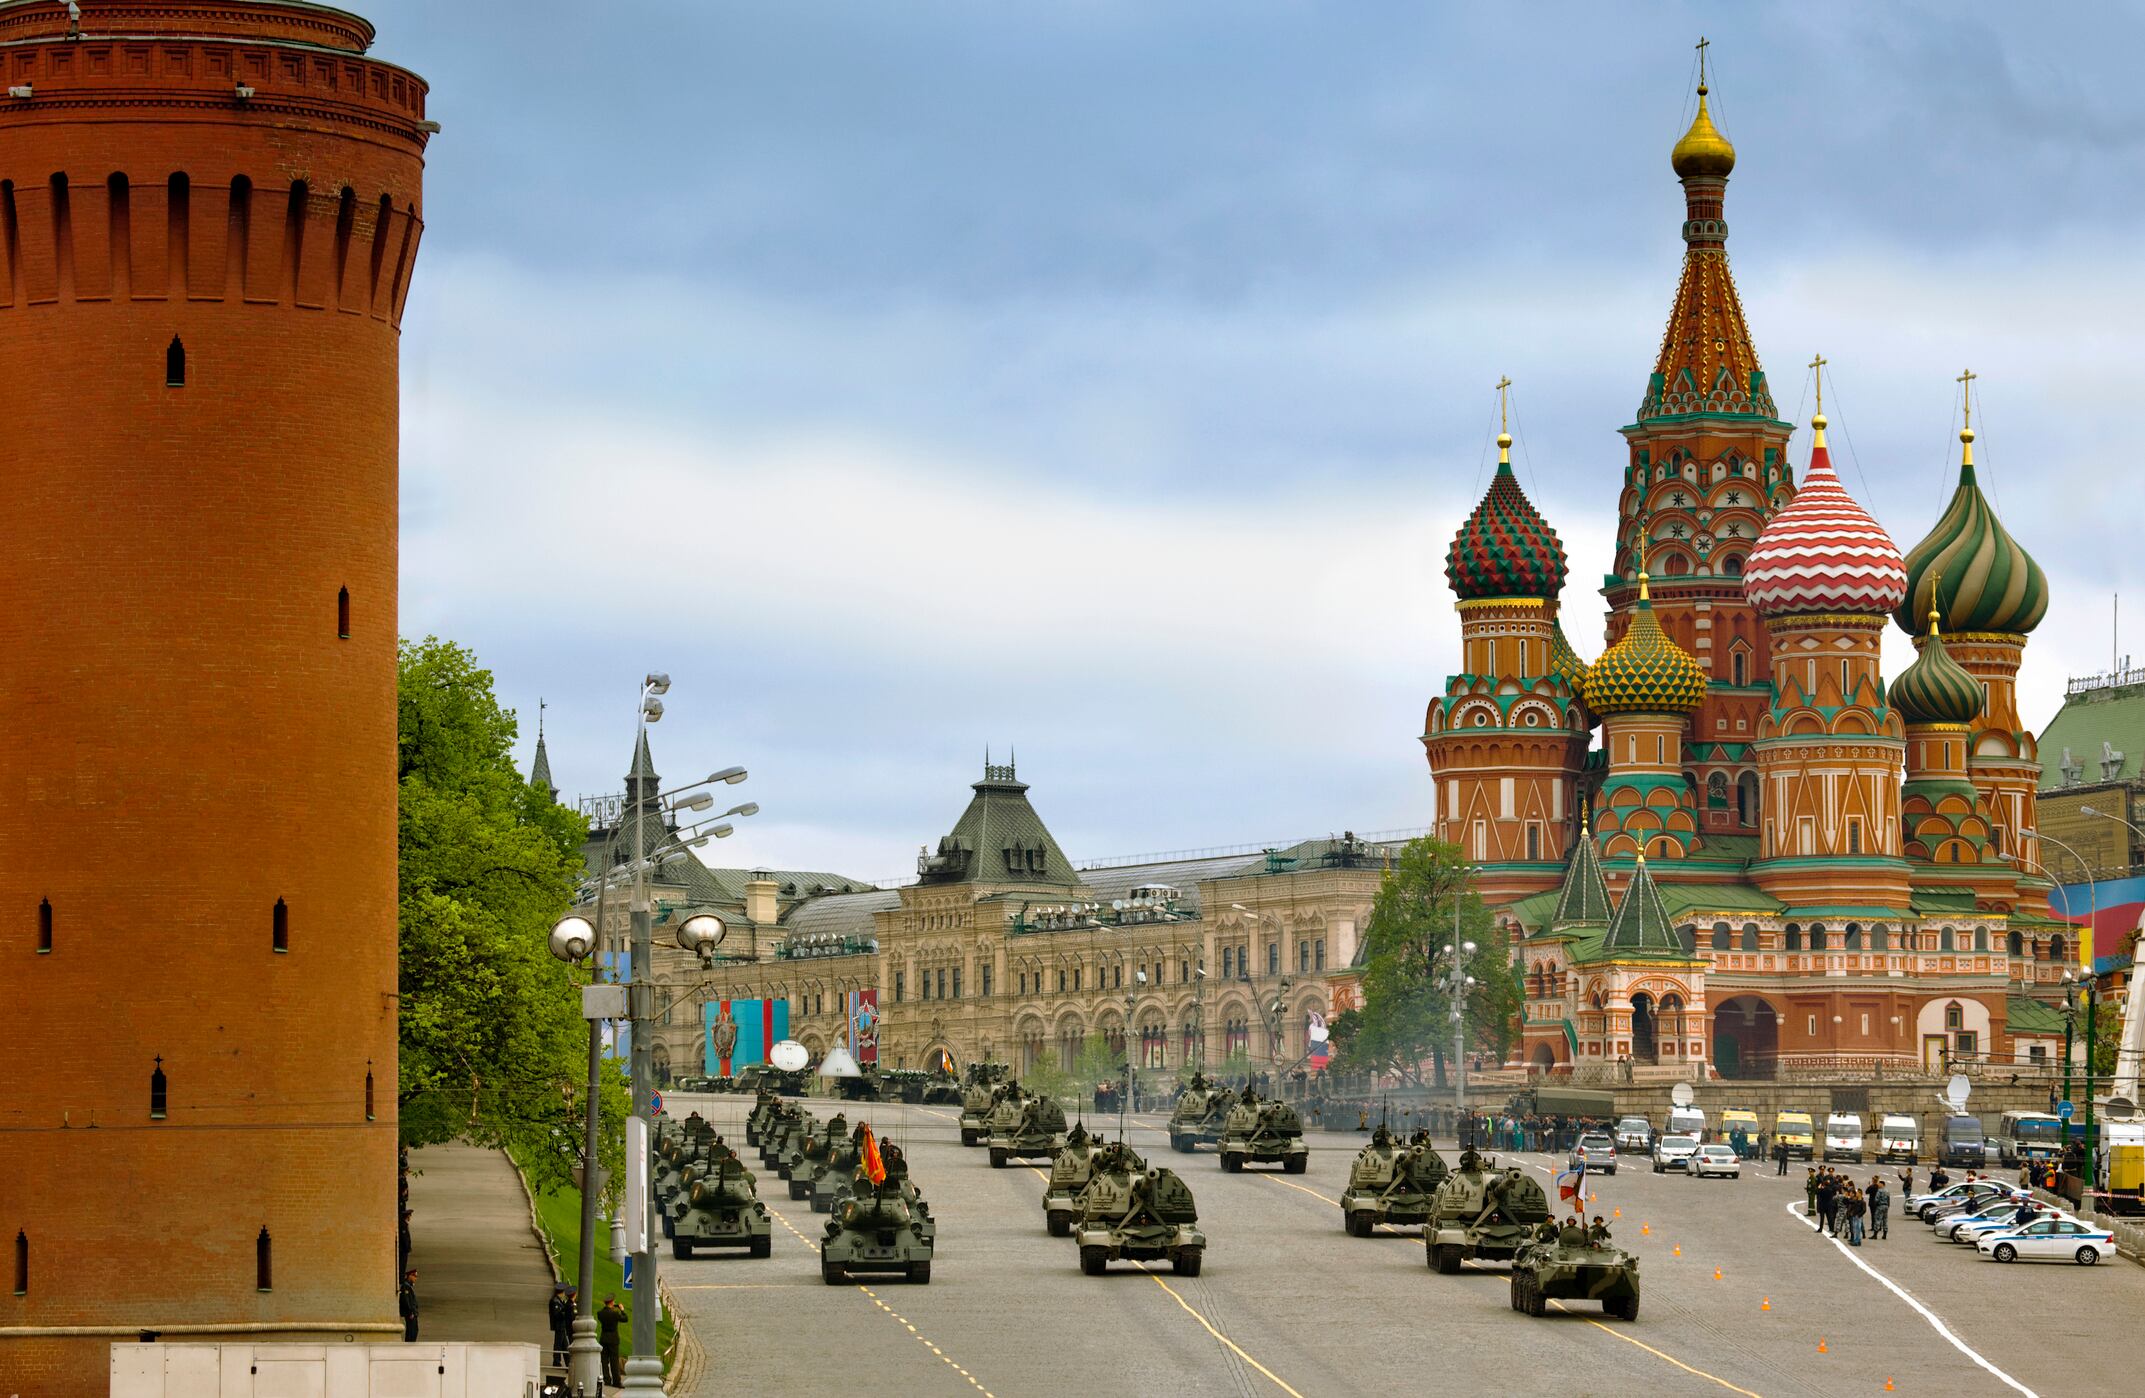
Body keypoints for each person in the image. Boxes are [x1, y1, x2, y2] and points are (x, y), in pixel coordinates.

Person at [597, 1294, 627, 1388]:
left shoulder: (600, 1313)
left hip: (604, 1338)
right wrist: (622, 1310)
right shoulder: (615, 1313)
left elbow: (604, 1312)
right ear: (612, 1302)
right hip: (613, 1339)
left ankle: (607, 1380)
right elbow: (625, 1319)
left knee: (604, 1360)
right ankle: (616, 1381)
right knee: (614, 1361)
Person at [548, 1284, 574, 1367]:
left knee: (564, 1344)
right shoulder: (555, 1301)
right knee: (559, 1344)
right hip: (559, 1325)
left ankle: (566, 1361)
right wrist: (565, 1313)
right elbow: (557, 1314)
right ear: (561, 1292)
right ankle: (556, 1361)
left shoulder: (559, 1300)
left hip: (562, 1325)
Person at [398, 1269, 419, 1342]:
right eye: (414, 1276)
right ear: (409, 1276)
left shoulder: (408, 1286)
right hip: (410, 1313)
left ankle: (411, 1345)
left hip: (413, 1313)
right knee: (411, 1331)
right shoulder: (405, 1286)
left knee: (414, 1330)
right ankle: (409, 1346)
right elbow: (406, 1300)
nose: (415, 1278)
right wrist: (411, 1312)